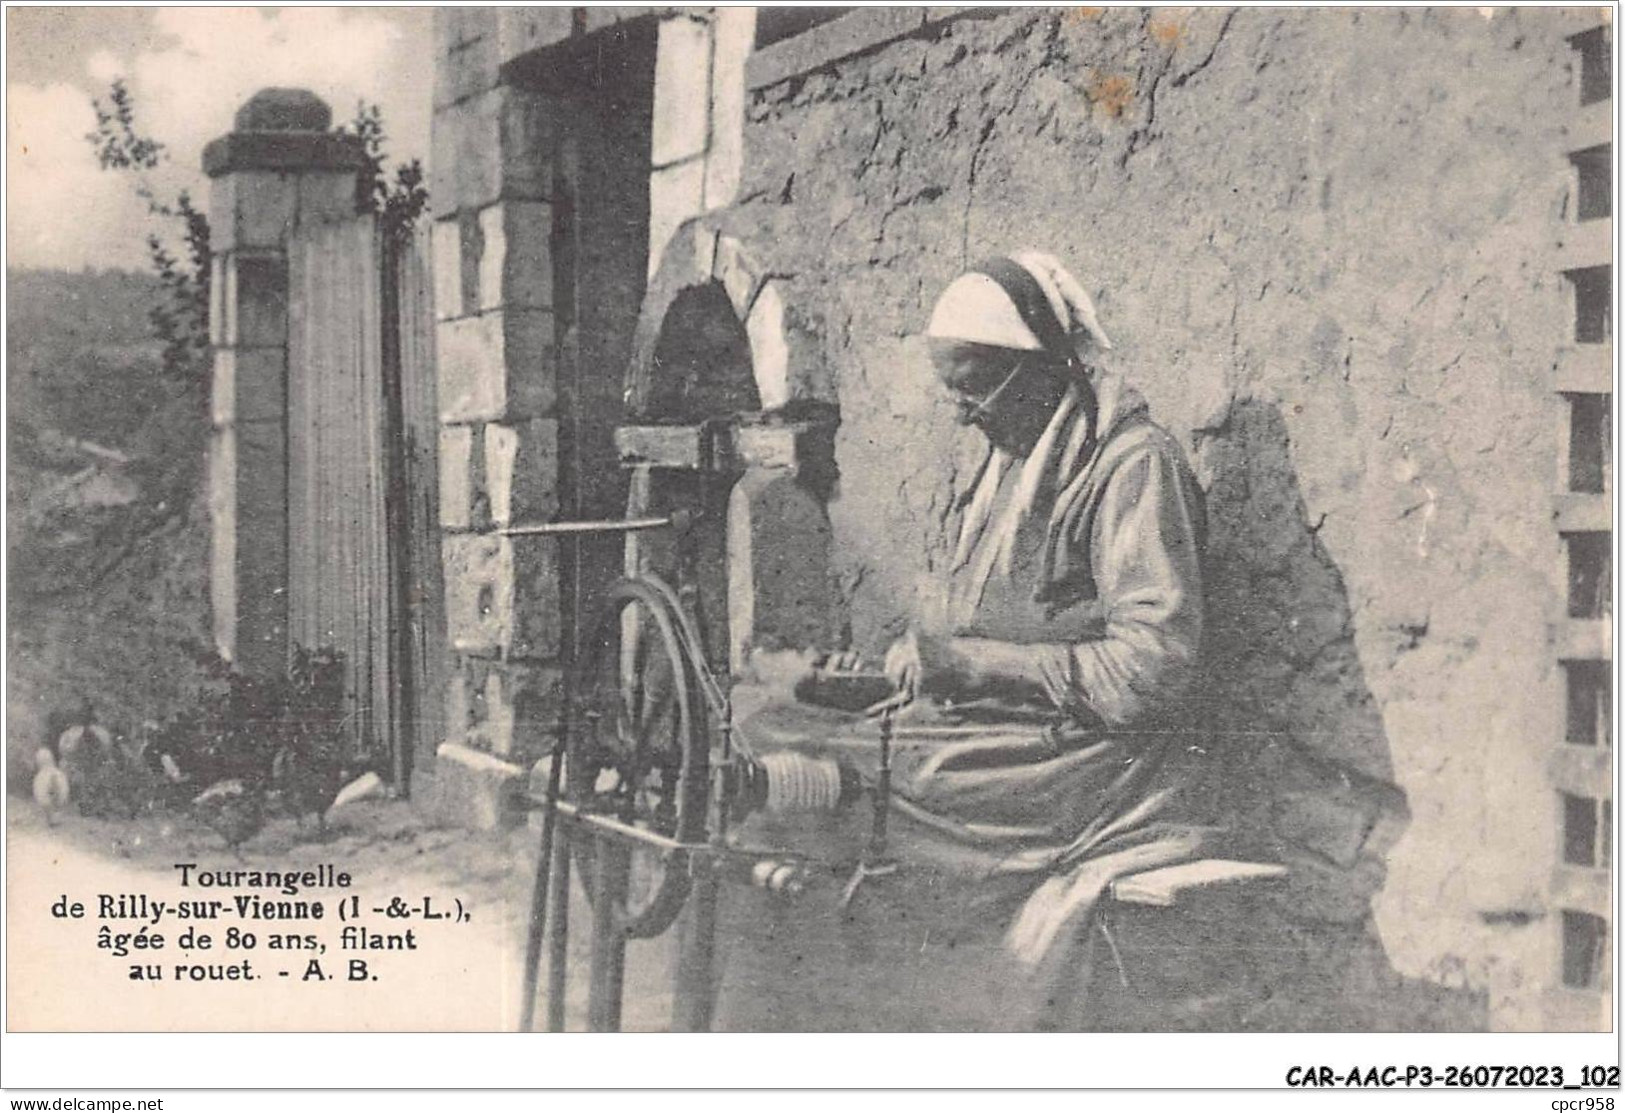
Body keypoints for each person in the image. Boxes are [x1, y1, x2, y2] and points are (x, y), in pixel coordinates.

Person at [868, 251, 1224, 1025]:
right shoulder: (1008, 469)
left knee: (864, 785)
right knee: (801, 738)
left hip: (1111, 767)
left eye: (975, 390)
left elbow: (1153, 670)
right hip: (1031, 740)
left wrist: (977, 663)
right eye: (950, 392)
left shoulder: (1134, 468)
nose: (963, 414)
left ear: (1043, 370)